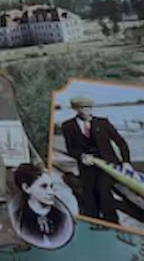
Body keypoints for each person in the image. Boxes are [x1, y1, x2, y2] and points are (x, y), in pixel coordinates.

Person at [60, 96, 132, 225]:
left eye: (89, 107)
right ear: (75, 108)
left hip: (108, 165)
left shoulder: (102, 123)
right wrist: (82, 156)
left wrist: (126, 162)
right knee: (89, 193)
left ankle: (112, 222)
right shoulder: (68, 126)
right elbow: (71, 148)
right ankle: (93, 222)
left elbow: (121, 142)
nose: (88, 110)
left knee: (102, 190)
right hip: (87, 166)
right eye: (84, 107)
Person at [9, 164, 74, 249]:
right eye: (43, 186)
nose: (51, 192)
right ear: (26, 188)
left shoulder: (62, 218)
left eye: (51, 186)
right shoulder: (18, 218)